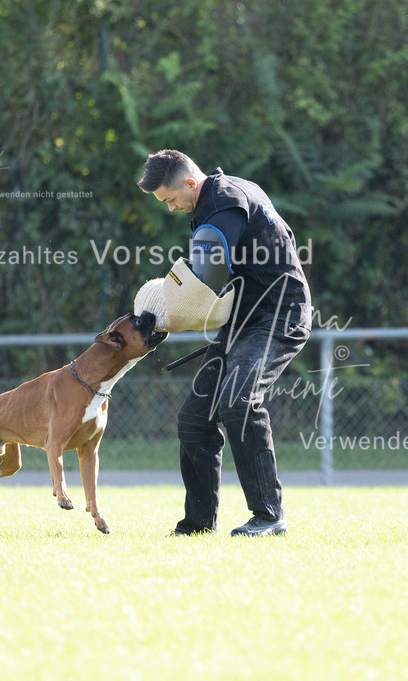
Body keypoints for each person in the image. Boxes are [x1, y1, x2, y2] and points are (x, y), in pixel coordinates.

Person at [137, 149, 311, 536]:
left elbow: (208, 275)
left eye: (170, 200)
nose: (170, 209)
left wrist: (165, 310)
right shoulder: (216, 203)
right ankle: (198, 524)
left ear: (189, 183)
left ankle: (269, 516)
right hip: (243, 324)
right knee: (194, 419)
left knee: (238, 401)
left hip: (278, 317)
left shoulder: (225, 200)